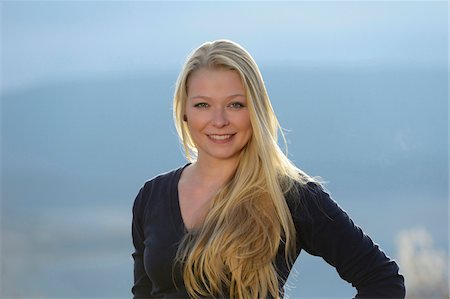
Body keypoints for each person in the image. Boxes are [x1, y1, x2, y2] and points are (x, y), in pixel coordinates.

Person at [131, 39, 406, 299]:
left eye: (235, 105)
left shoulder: (289, 195)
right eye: (203, 105)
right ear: (185, 112)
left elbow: (382, 279)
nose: (219, 120)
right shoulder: (151, 197)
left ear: (256, 111)